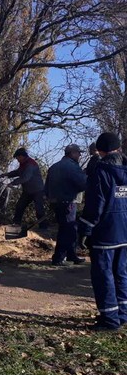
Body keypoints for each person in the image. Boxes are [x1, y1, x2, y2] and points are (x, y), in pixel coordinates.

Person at [78, 132, 127, 330]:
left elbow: (95, 205)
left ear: (100, 150)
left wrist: (85, 229)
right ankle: (122, 314)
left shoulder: (101, 171)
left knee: (103, 275)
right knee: (121, 273)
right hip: (125, 232)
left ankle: (109, 320)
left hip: (105, 233)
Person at [44, 144, 88, 266]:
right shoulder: (72, 167)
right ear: (72, 153)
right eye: (78, 153)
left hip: (55, 202)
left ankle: (71, 255)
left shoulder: (54, 166)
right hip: (68, 202)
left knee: (66, 228)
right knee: (68, 229)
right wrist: (86, 176)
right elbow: (83, 184)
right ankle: (59, 258)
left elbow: (46, 186)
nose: (80, 155)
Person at [3, 147, 48, 228]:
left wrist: (13, 183)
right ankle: (16, 223)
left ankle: (43, 227)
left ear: (21, 156)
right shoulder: (23, 164)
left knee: (39, 209)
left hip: (37, 190)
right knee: (20, 206)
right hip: (28, 191)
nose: (17, 160)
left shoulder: (30, 164)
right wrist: (7, 174)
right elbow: (18, 172)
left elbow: (25, 178)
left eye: (17, 158)